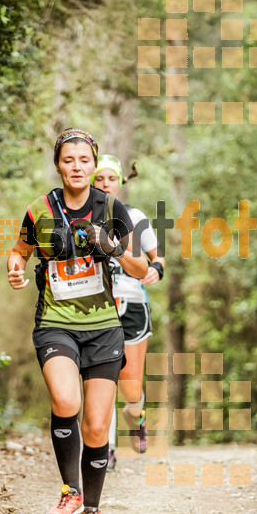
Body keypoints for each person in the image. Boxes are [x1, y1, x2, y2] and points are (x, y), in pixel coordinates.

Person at [7, 128, 148, 514]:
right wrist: (15, 268)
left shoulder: (112, 208)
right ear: (58, 165)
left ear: (94, 163)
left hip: (104, 328)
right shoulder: (40, 210)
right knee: (65, 398)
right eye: (68, 160)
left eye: (84, 160)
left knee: (97, 426)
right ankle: (70, 491)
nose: (77, 167)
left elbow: (141, 270)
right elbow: (19, 250)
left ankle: (91, 509)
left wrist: (114, 246)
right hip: (55, 324)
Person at [92, 155, 164, 469]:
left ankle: (136, 417)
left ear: (121, 181)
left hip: (133, 304)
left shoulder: (135, 216)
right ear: (92, 182)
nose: (105, 184)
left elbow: (157, 258)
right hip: (97, 305)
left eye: (111, 179)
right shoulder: (83, 218)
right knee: (102, 378)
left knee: (129, 383)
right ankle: (105, 448)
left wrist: (156, 271)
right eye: (100, 179)